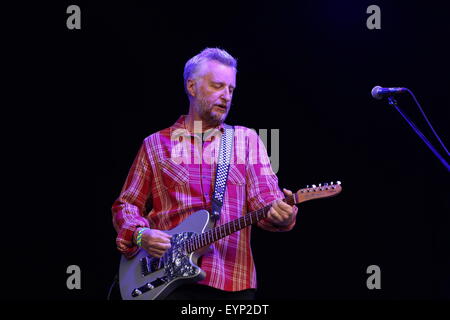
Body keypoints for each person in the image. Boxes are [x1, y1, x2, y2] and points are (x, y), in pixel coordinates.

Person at [111, 48, 298, 300]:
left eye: (231, 89)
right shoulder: (155, 144)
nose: (226, 96)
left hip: (232, 281)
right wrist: (141, 234)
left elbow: (266, 203)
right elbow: (126, 205)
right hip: (162, 281)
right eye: (218, 86)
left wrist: (282, 214)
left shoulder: (247, 140)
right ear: (192, 86)